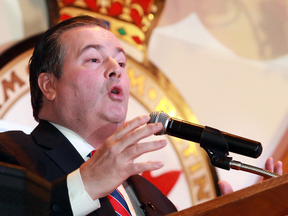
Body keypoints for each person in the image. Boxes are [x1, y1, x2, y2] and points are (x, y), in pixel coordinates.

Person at [0, 15, 283, 216]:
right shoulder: (10, 154)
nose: (117, 69)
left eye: (121, 62)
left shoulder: (155, 198)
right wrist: (85, 185)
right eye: (94, 59)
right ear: (49, 85)